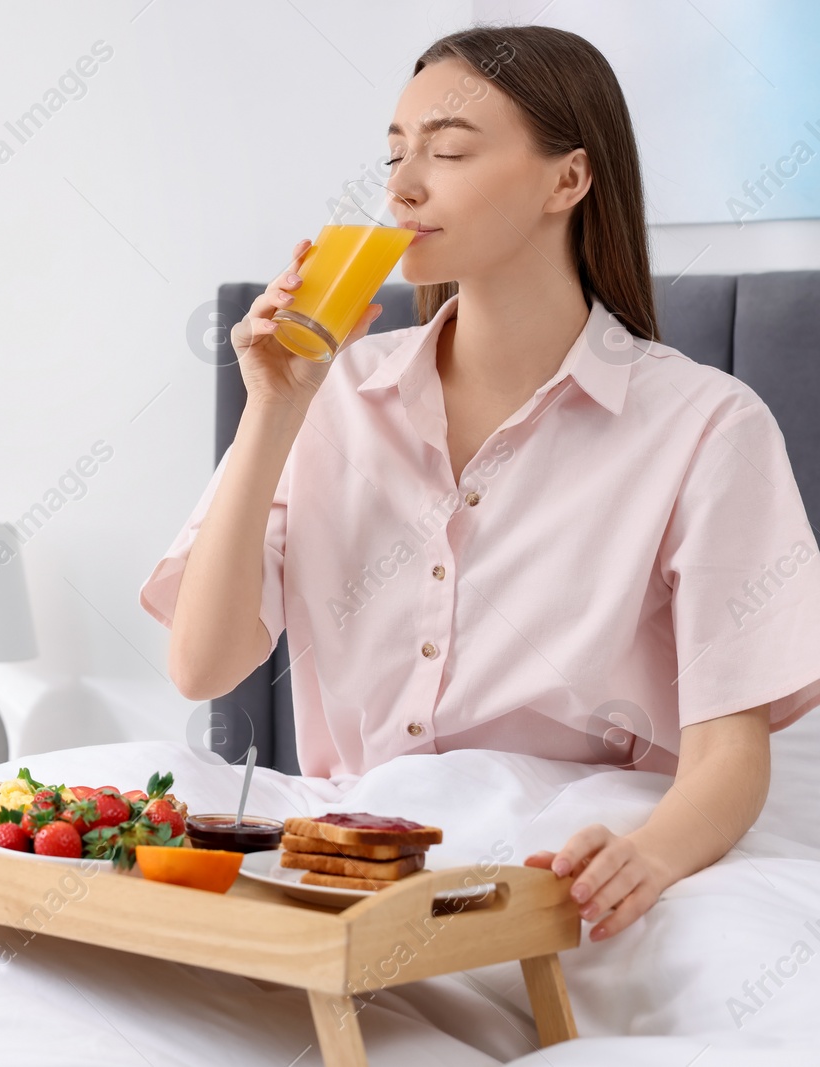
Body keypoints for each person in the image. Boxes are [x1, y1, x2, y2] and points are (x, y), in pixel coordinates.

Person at [138, 25, 820, 943]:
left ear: (567, 180)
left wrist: (649, 855)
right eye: (394, 153)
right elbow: (202, 667)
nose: (403, 184)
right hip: (350, 855)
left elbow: (729, 757)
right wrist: (271, 411)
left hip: (559, 858)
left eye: (449, 151)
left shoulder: (706, 426)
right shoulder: (334, 393)